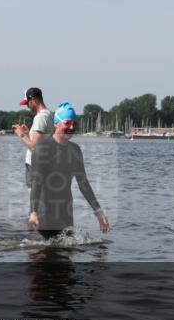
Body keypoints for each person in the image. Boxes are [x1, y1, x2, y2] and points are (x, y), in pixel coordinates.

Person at [28, 102, 110, 239]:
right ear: (56, 123)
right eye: (67, 123)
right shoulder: (43, 149)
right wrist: (33, 212)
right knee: (49, 254)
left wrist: (98, 211)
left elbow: (83, 183)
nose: (71, 127)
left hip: (66, 212)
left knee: (67, 253)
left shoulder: (75, 150)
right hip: (44, 214)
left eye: (74, 123)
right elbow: (36, 183)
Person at [12, 87, 53, 193]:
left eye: (27, 103)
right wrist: (28, 134)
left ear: (34, 100)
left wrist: (20, 134)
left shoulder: (39, 118)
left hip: (35, 166)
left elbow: (35, 147)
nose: (27, 106)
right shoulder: (49, 115)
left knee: (35, 204)